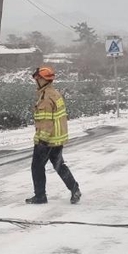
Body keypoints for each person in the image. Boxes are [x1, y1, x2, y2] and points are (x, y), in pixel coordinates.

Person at [25, 66, 81, 205]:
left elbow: (46, 122)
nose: (35, 81)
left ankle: (40, 196)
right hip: (58, 138)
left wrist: (41, 141)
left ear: (43, 80)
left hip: (47, 139)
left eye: (37, 79)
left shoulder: (45, 98)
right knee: (59, 165)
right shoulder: (55, 93)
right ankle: (74, 188)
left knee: (37, 167)